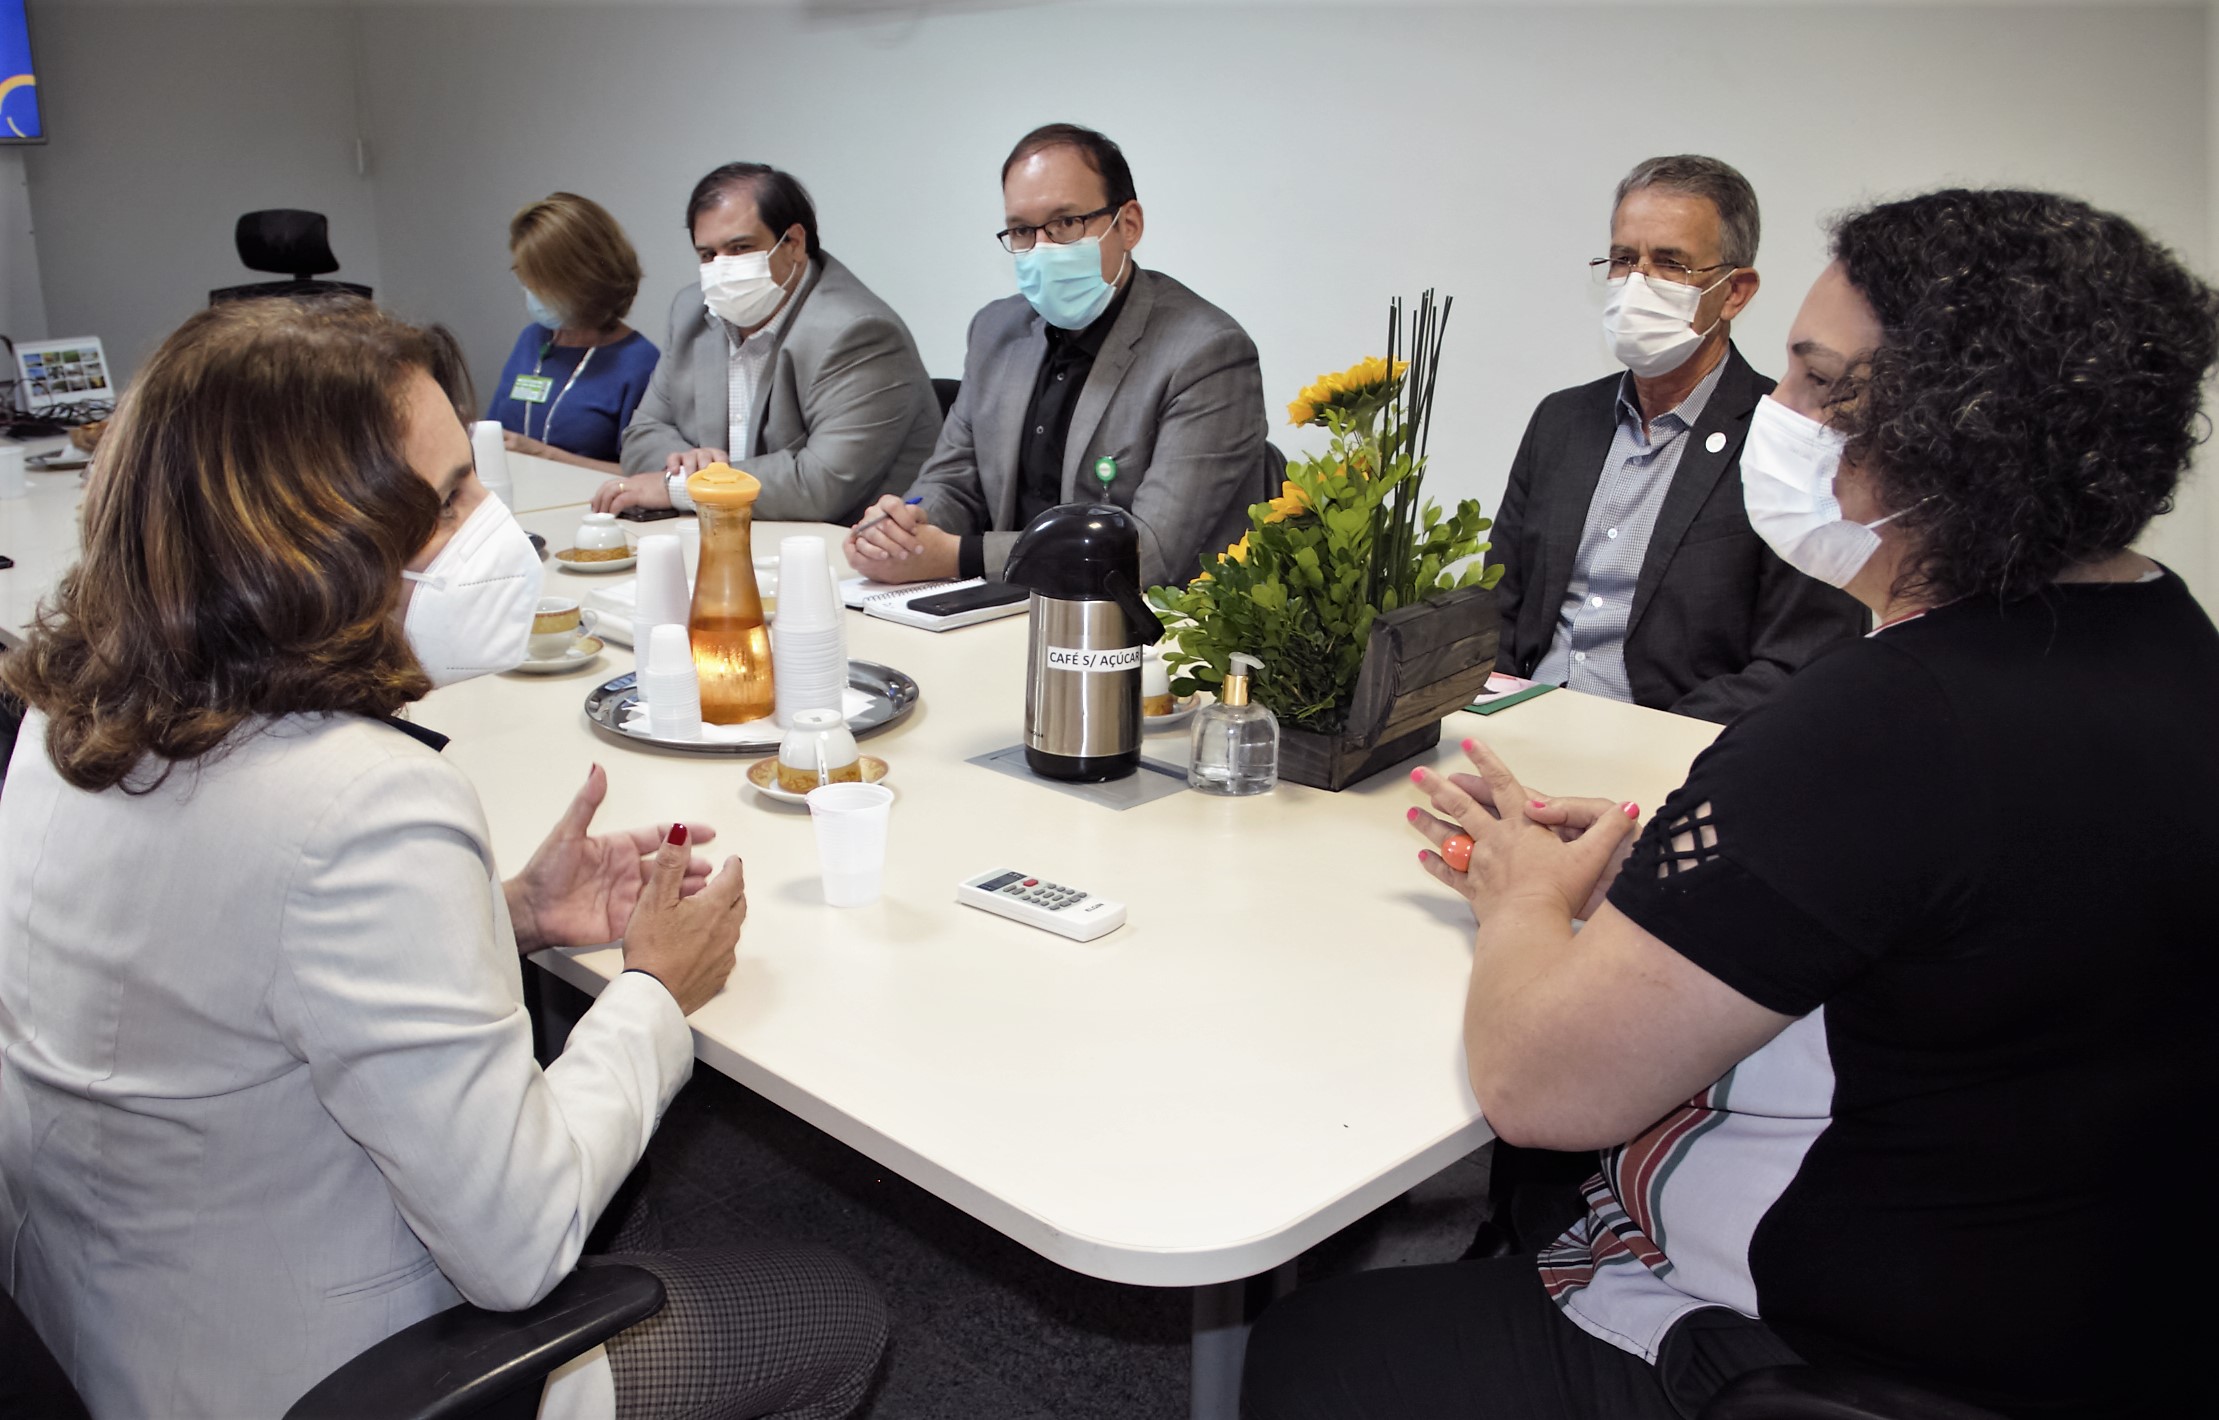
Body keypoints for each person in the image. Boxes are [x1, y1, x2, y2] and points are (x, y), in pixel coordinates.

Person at [1243, 188, 2218, 1419]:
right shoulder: (2167, 638)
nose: (1778, 410)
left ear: (1941, 436)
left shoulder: (1875, 719)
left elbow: (1537, 1088)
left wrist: (1521, 897)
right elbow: (1942, 893)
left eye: (1812, 381)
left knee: (1319, 1348)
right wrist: (1682, 867)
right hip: (2084, 1300)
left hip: (1824, 1344)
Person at [0, 298, 888, 1419]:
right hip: (320, 1379)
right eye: (450, 500)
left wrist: (502, 915)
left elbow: (225, 953)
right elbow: (519, 1243)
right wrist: (656, 991)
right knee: (835, 1311)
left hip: (103, 1325)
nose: (491, 528)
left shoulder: (75, 714)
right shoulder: (361, 802)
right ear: (315, 547)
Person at [1492, 156, 1867, 726]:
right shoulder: (1562, 421)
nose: (1637, 283)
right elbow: (1497, 604)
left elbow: (1802, 660)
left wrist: (1647, 743)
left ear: (1734, 292)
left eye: (1670, 264)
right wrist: (1490, 712)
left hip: (1670, 745)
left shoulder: (1795, 442)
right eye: (1624, 260)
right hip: (1523, 724)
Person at [845, 123, 1280, 591]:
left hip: (1138, 620)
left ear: (1128, 225)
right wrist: (902, 530)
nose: (1043, 248)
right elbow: (951, 482)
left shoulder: (1206, 353)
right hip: (1005, 608)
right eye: (1022, 230)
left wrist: (957, 556)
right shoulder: (994, 331)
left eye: (1066, 223)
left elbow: (1147, 554)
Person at [601, 163, 941, 524]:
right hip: (725, 532)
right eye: (707, 255)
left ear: (794, 243)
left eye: (740, 248)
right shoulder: (691, 311)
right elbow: (641, 436)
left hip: (844, 544)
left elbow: (820, 486)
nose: (721, 269)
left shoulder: (859, 332)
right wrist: (688, 467)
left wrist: (688, 487)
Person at [489, 192, 661, 473]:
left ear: (584, 277)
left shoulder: (639, 362)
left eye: (542, 280)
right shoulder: (532, 339)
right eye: (524, 275)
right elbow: (498, 433)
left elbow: (645, 476)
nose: (531, 290)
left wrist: (545, 455)